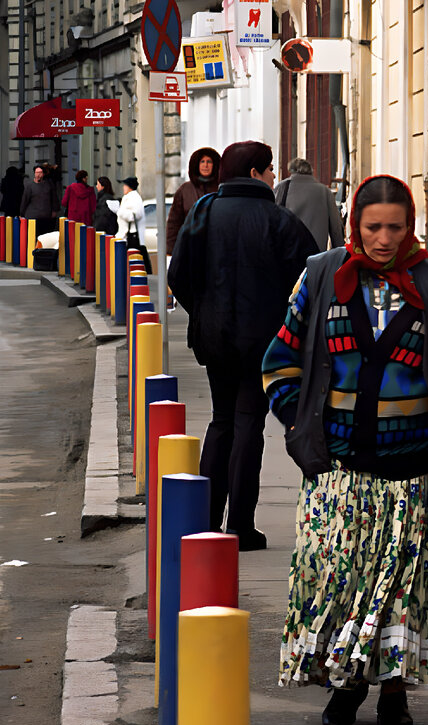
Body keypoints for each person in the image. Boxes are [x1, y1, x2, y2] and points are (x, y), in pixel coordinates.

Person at [260, 174, 428, 725]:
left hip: (418, 474)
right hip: (341, 474)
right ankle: (346, 687)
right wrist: (302, 427)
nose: (383, 239)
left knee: (406, 589)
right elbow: (279, 360)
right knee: (343, 582)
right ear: (355, 224)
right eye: (373, 227)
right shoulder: (322, 276)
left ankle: (395, 694)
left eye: (395, 228)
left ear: (410, 228)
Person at [167, 140, 318, 551]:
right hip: (264, 342)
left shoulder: (205, 212)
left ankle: (208, 519)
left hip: (213, 338)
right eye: (269, 169)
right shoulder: (278, 220)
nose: (273, 176)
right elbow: (311, 279)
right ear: (254, 173)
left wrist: (202, 310)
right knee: (249, 422)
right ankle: (241, 526)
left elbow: (178, 275)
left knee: (221, 420)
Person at [272, 157, 345, 251]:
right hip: (316, 257)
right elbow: (336, 229)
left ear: (291, 170)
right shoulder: (324, 191)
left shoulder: (281, 188)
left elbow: (273, 220)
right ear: (311, 171)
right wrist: (339, 254)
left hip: (287, 255)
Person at [165, 147, 221, 257]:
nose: (205, 165)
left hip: (217, 248)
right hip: (191, 248)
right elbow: (174, 222)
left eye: (209, 162)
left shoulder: (221, 189)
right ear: (196, 165)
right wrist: (171, 249)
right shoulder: (185, 190)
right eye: (202, 162)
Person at [116, 175, 148, 271]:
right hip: (128, 233)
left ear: (129, 186)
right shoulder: (129, 197)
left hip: (132, 234)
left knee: (133, 258)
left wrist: (120, 212)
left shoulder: (134, 197)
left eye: (125, 185)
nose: (123, 187)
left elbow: (135, 215)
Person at [20, 165, 59, 236]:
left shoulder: (49, 185)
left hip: (46, 217)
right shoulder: (29, 186)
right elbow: (25, 200)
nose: (38, 175)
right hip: (33, 217)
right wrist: (22, 214)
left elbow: (54, 198)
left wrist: (54, 210)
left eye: (40, 172)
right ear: (34, 173)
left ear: (43, 174)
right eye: (37, 172)